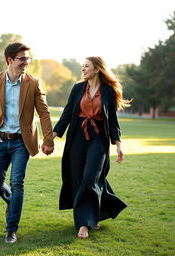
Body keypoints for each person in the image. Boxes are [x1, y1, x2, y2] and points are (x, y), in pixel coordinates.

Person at [0, 42, 54, 243]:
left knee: (17, 183)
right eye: (22, 59)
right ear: (10, 60)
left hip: (22, 142)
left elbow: (44, 112)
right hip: (0, 139)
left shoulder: (34, 83)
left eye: (28, 59)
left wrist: (48, 139)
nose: (26, 62)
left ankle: (11, 230)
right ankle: (12, 203)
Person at [53, 56, 130, 239]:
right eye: (83, 66)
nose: (83, 69)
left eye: (86, 66)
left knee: (90, 177)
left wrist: (118, 145)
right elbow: (67, 113)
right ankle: (92, 216)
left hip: (99, 139)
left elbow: (112, 120)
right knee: (82, 178)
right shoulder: (78, 88)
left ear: (97, 69)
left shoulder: (108, 91)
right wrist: (53, 136)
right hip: (77, 137)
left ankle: (84, 224)